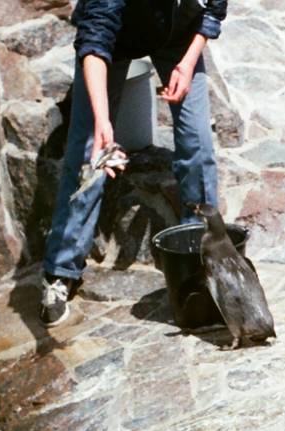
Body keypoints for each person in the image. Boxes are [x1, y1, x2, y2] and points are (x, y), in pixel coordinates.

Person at [40, 0, 228, 326]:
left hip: (178, 35)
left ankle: (202, 254)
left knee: (198, 143)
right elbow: (95, 41)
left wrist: (188, 62)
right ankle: (61, 269)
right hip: (114, 40)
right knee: (88, 151)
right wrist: (103, 123)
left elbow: (214, 7)